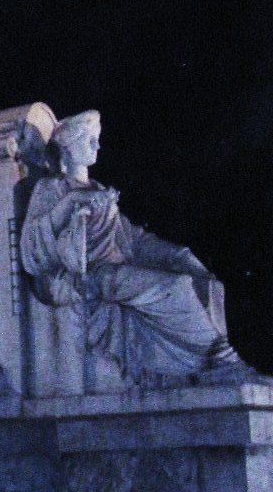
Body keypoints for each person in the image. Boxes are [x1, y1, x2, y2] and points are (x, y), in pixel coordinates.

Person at [21, 110, 253, 388]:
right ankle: (223, 361)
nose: (97, 146)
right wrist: (71, 203)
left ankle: (206, 364)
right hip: (82, 279)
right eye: (90, 140)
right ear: (69, 148)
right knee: (176, 287)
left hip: (112, 271)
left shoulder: (98, 190)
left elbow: (134, 240)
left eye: (97, 140)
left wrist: (177, 255)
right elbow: (33, 250)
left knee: (203, 283)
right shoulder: (52, 188)